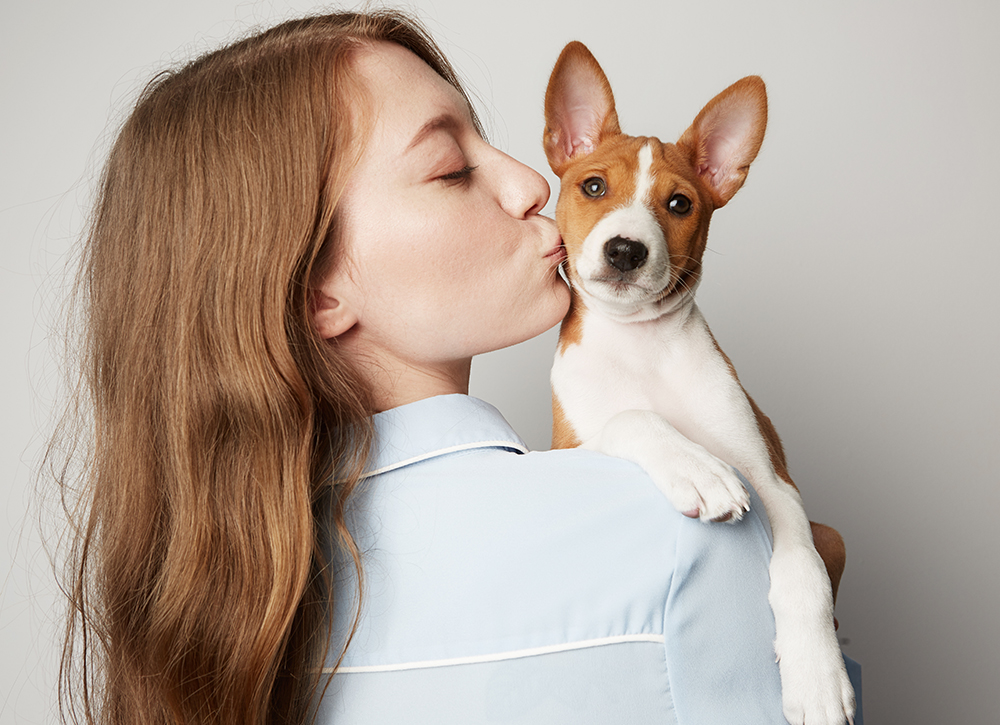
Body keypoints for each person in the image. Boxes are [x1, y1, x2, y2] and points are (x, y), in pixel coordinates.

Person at [55, 9, 860, 725]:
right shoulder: (676, 532)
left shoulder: (222, 611)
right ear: (318, 290)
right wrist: (783, 558)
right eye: (451, 167)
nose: (530, 183)